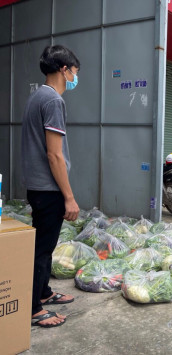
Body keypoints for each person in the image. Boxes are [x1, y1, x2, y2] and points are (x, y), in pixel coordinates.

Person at [22, 45, 80, 328]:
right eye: (74, 73)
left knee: (43, 245)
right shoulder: (53, 101)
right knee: (42, 250)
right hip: (48, 189)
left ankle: (43, 292)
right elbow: (54, 154)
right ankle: (33, 308)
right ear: (63, 69)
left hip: (37, 187)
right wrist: (69, 197)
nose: (74, 79)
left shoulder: (37, 96)